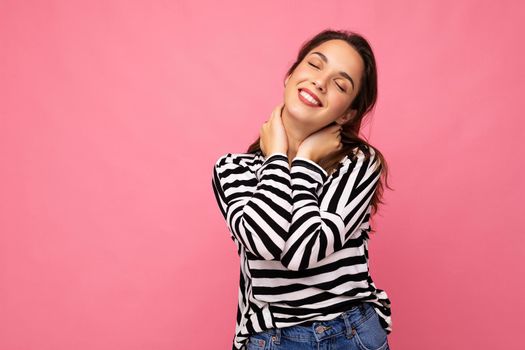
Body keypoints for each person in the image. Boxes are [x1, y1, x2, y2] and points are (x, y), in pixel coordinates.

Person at [212, 29, 393, 350]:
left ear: (348, 112)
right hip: (271, 337)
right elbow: (263, 242)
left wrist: (306, 160)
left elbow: (303, 254)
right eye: (314, 65)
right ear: (290, 75)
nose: (320, 82)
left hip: (350, 334)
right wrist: (279, 157)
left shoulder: (359, 163)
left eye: (340, 84)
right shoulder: (232, 169)